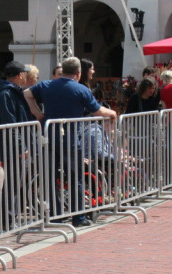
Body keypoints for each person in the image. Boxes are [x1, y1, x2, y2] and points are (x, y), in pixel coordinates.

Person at [23, 56, 117, 227]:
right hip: (71, 138)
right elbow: (97, 111)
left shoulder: (46, 85)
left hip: (48, 136)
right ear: (78, 73)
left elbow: (27, 94)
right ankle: (78, 217)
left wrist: (37, 113)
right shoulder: (80, 89)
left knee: (50, 177)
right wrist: (111, 114)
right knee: (75, 177)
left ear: (63, 70)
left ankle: (56, 215)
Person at [0, 61, 35, 230]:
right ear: (19, 75)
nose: (26, 76)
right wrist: (19, 146)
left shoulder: (12, 92)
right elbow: (10, 122)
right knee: (12, 183)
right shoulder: (6, 93)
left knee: (15, 182)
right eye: (24, 74)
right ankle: (8, 220)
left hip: (16, 144)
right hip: (12, 146)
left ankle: (12, 217)